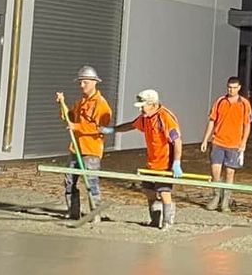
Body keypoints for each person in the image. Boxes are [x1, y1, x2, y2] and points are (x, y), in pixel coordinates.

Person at [113, 88, 183, 229]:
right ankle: (155, 219)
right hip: (151, 162)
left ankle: (167, 221)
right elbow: (131, 125)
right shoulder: (146, 118)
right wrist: (113, 130)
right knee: (148, 190)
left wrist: (176, 162)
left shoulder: (165, 117)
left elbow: (177, 141)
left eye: (143, 107)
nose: (141, 110)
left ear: (153, 104)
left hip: (165, 163)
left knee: (164, 191)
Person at [55, 66, 111, 220]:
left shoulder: (101, 105)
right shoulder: (81, 102)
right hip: (76, 148)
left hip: (91, 150)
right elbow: (70, 117)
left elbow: (100, 128)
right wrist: (62, 103)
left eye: (85, 82)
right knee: (69, 181)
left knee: (91, 183)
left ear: (94, 82)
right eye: (80, 82)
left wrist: (76, 126)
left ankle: (95, 214)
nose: (82, 86)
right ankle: (73, 213)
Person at [200, 76, 252, 213]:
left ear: (239, 88)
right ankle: (216, 196)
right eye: (230, 87)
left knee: (230, 173)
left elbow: (247, 125)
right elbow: (212, 120)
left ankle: (226, 200)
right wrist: (205, 139)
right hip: (218, 141)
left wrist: (243, 143)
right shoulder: (220, 101)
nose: (232, 90)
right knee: (215, 171)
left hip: (234, 144)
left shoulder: (244, 104)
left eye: (235, 87)